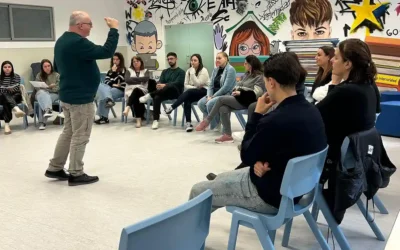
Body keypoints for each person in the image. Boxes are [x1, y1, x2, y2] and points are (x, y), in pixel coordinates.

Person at [189, 52, 327, 213]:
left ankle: (191, 237)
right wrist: (259, 161)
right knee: (220, 180)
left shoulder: (274, 119)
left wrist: (256, 116)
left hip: (269, 195)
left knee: (198, 191)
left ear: (271, 82)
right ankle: (219, 185)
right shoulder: (313, 110)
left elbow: (247, 155)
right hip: (297, 190)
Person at [44, 11, 119, 186]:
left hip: (68, 95)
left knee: (69, 132)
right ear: (80, 25)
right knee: (81, 135)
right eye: (89, 24)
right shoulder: (78, 42)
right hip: (80, 98)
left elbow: (57, 67)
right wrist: (114, 29)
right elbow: (106, 51)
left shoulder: (62, 40)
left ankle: (54, 167)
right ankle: (76, 173)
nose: (91, 27)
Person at [315, 39, 381, 218]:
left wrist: (334, 82)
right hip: (357, 161)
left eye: (336, 57)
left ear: (348, 64)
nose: (331, 61)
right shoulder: (369, 86)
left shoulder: (345, 91)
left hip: (334, 161)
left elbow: (315, 114)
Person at [195, 55, 264, 143]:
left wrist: (241, 92)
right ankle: (227, 135)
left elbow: (257, 93)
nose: (244, 65)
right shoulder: (246, 74)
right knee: (223, 108)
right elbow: (238, 84)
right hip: (240, 98)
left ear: (251, 64)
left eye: (245, 63)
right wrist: (237, 89)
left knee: (221, 100)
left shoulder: (259, 77)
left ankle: (208, 120)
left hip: (249, 100)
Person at [139, 52, 185, 130]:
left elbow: (178, 83)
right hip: (165, 92)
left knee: (169, 86)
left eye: (171, 59)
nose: (170, 60)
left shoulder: (181, 72)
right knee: (157, 97)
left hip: (176, 93)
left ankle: (150, 95)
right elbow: (161, 81)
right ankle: (156, 120)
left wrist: (165, 85)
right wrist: (159, 84)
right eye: (168, 59)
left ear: (176, 59)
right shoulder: (165, 71)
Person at [164, 54, 210, 132]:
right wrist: (194, 87)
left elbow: (199, 84)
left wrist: (192, 74)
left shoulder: (203, 70)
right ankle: (188, 123)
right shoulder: (189, 70)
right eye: (192, 60)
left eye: (195, 60)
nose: (193, 62)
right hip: (193, 92)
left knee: (188, 92)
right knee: (187, 100)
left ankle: (172, 107)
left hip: (204, 92)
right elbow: (186, 85)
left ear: (199, 62)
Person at [197, 52, 236, 131]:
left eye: (219, 58)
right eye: (216, 58)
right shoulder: (215, 69)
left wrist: (213, 97)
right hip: (213, 94)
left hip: (225, 94)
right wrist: (208, 96)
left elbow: (226, 87)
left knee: (210, 103)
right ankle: (214, 120)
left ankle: (215, 124)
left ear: (226, 59)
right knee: (201, 103)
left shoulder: (231, 70)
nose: (217, 60)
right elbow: (210, 85)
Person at [95, 52, 127, 124]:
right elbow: (106, 81)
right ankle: (109, 102)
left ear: (120, 60)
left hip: (120, 90)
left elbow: (120, 80)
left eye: (117, 59)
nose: (115, 61)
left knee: (104, 94)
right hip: (110, 89)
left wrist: (114, 74)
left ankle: (104, 118)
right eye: (114, 59)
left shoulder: (123, 70)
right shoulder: (110, 71)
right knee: (102, 88)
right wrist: (113, 79)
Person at [33, 59, 62, 130]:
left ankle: (42, 122)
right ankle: (48, 110)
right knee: (42, 94)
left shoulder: (57, 75)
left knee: (44, 99)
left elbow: (58, 88)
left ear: (51, 66)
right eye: (45, 66)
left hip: (54, 94)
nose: (47, 68)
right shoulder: (39, 75)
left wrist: (47, 89)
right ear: (42, 68)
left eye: (49, 66)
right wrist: (49, 87)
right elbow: (37, 88)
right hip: (41, 93)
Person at [123, 56, 150, 128]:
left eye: (137, 61)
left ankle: (128, 106)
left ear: (141, 62)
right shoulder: (129, 70)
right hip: (130, 90)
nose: (135, 63)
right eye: (134, 61)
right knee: (136, 96)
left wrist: (133, 79)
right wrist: (140, 80)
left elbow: (146, 78)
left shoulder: (145, 70)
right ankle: (139, 120)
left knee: (136, 90)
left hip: (142, 90)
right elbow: (127, 80)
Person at [0, 61, 26, 135]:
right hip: (2, 97)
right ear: (2, 68)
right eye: (5, 67)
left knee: (6, 100)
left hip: (15, 96)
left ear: (12, 68)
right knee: (5, 96)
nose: (7, 69)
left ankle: (7, 125)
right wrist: (6, 90)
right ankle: (17, 109)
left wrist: (9, 90)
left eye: (9, 67)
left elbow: (17, 88)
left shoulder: (16, 76)